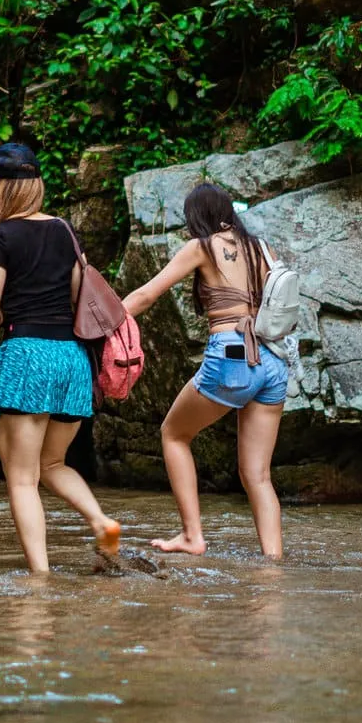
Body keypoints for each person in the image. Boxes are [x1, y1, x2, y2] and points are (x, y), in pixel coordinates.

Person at [0, 142, 122, 574]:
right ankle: (100, 519)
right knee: (53, 463)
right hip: (72, 360)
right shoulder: (64, 230)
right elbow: (79, 297)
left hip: (27, 357)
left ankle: (40, 577)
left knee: (22, 478)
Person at [120, 183, 287, 559]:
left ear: (199, 216)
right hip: (272, 364)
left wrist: (105, 320)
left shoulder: (203, 246)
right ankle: (273, 562)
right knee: (258, 475)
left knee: (173, 434)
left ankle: (192, 535)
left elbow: (147, 294)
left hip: (232, 358)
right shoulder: (262, 248)